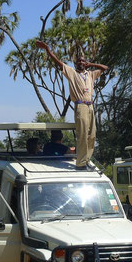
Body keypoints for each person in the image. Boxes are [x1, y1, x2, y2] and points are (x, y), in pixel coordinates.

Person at [35, 40, 108, 169]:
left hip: (90, 105)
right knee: (83, 135)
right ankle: (80, 164)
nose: (81, 63)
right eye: (79, 61)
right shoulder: (72, 73)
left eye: (83, 61)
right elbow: (57, 62)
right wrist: (47, 49)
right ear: (75, 64)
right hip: (81, 106)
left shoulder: (90, 74)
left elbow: (104, 68)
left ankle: (86, 160)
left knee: (92, 135)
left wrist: (90, 64)